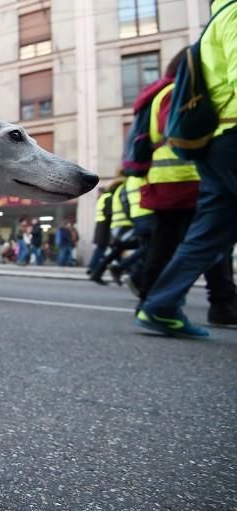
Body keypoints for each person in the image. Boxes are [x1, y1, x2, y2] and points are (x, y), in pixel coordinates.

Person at [136, 1, 237, 337]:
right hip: (220, 147)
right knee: (183, 240)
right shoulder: (234, 14)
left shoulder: (210, 29)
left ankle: (160, 304)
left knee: (206, 237)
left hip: (209, 150)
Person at [87, 186, 112, 275]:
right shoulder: (108, 197)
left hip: (100, 226)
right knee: (102, 249)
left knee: (101, 249)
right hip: (105, 227)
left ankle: (93, 267)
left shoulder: (100, 199)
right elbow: (109, 213)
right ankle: (93, 267)